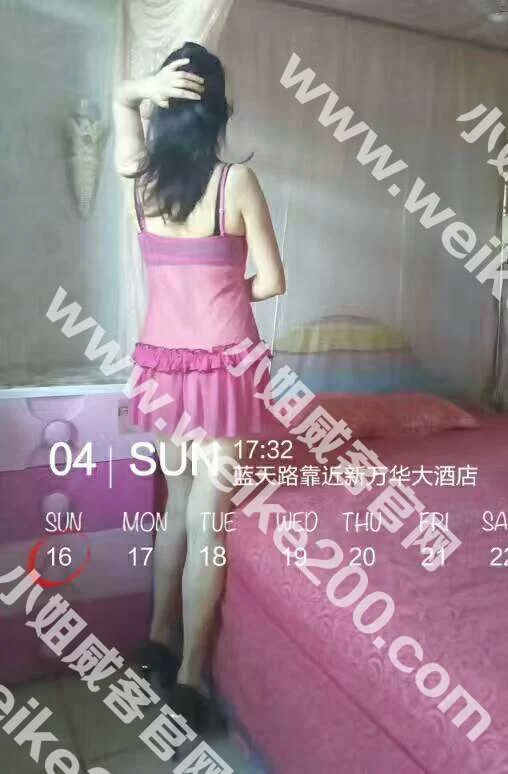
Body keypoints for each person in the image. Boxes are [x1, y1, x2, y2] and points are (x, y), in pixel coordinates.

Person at [113, 41, 285, 729]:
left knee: (176, 506)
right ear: (218, 111)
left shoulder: (140, 181)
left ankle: (156, 641)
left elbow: (123, 101)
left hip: (162, 363)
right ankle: (189, 678)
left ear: (162, 108)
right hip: (223, 365)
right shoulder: (234, 183)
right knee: (207, 516)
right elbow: (272, 281)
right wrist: (224, 289)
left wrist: (141, 89)